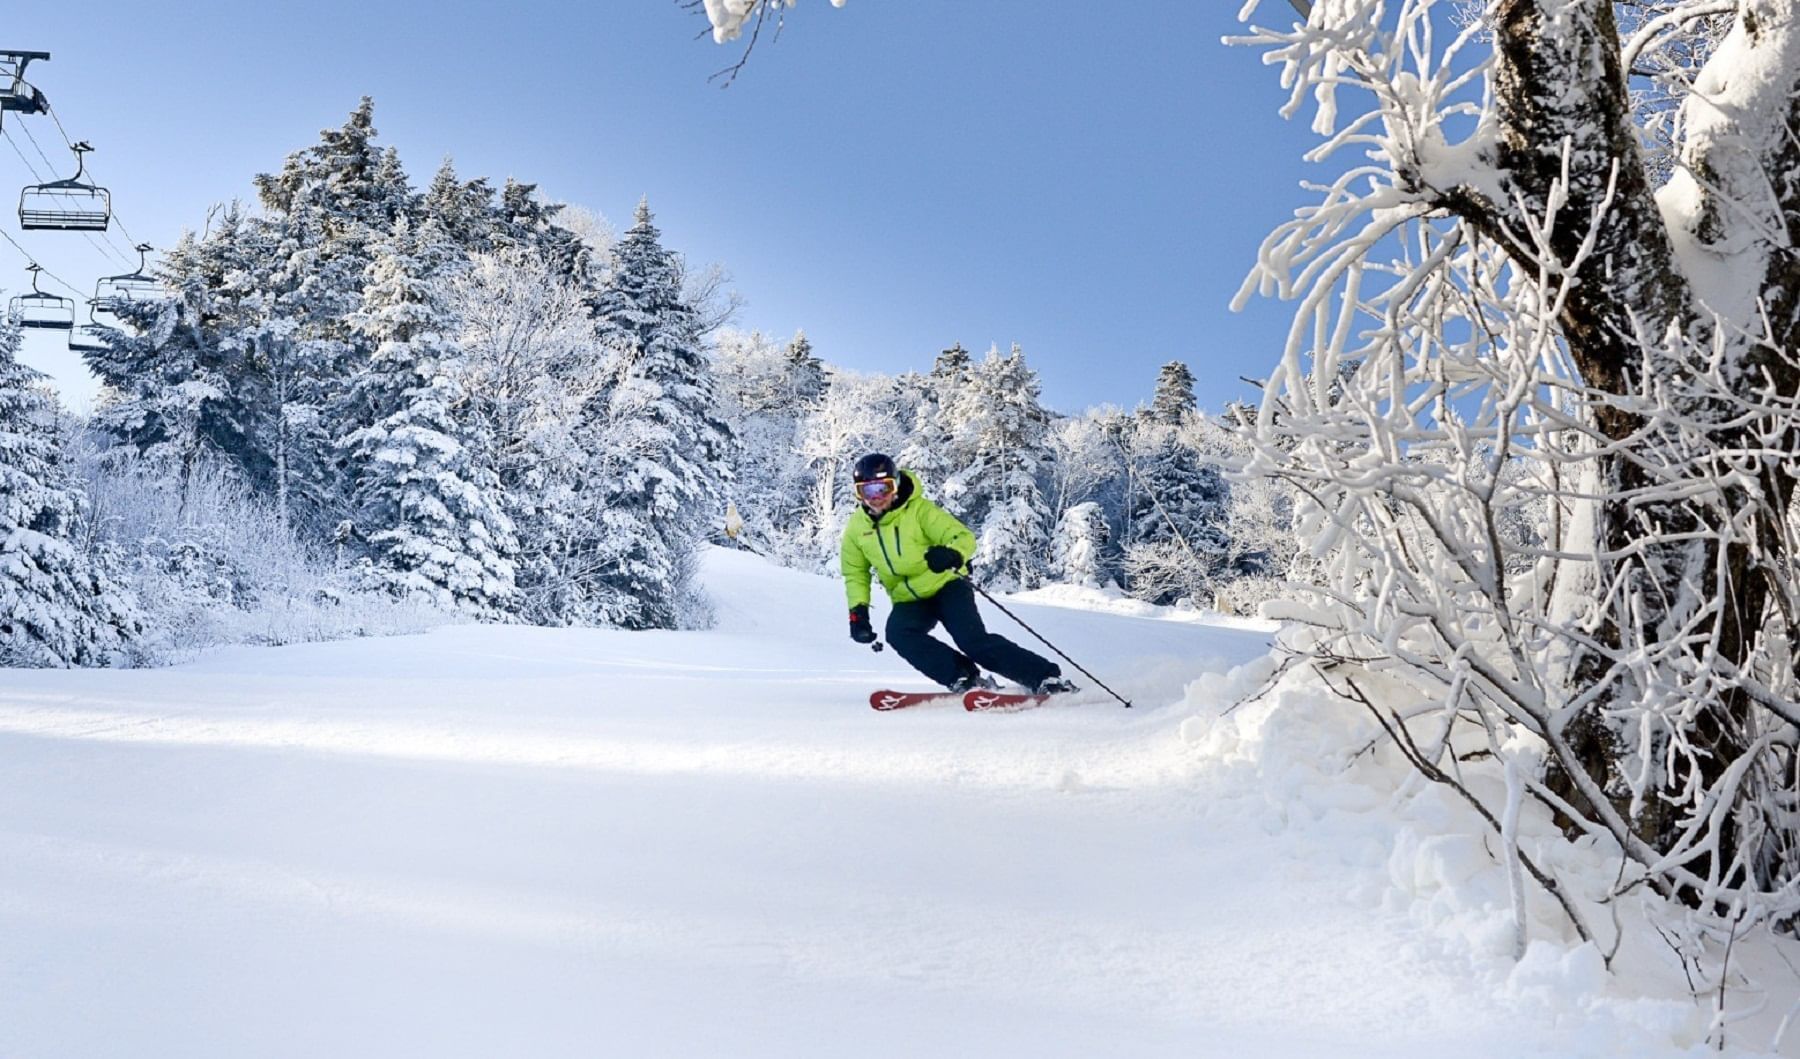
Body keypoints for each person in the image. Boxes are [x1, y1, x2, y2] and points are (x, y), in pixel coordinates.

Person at [839, 452, 1075, 695]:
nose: (876, 498)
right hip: (908, 598)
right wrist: (858, 612)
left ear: (896, 485)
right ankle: (963, 676)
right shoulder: (857, 529)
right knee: (899, 634)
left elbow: (962, 537)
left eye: (883, 488)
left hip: (947, 585)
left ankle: (1043, 677)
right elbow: (855, 572)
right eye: (867, 491)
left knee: (972, 641)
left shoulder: (919, 511)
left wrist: (952, 554)